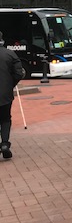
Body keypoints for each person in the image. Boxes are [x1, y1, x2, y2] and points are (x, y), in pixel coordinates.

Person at [0, 31, 25, 160]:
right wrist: (11, 84)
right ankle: (4, 143)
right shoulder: (10, 54)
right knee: (5, 118)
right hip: (5, 93)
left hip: (5, 91)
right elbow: (19, 73)